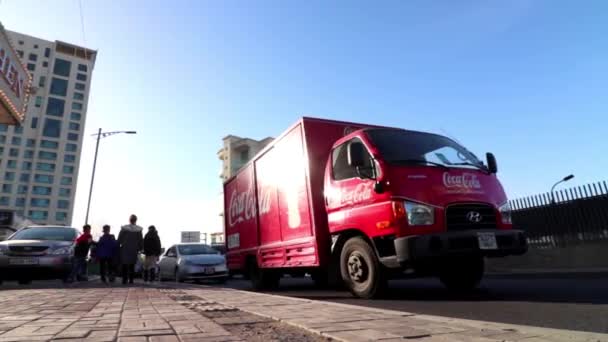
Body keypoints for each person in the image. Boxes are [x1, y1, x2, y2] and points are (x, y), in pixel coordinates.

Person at [118, 214, 143, 284]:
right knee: (132, 264)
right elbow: (140, 240)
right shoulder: (138, 229)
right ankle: (131, 279)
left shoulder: (124, 228)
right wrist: (140, 248)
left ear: (129, 220)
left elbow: (120, 238)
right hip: (134, 249)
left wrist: (118, 245)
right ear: (136, 220)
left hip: (125, 248)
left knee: (125, 264)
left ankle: (124, 279)